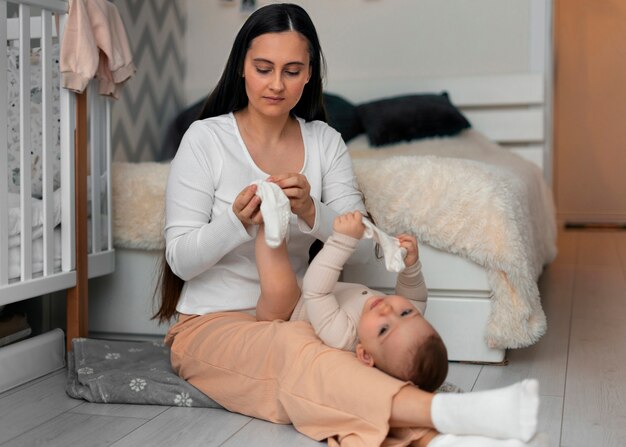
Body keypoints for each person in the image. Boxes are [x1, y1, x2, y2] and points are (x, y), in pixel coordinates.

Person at [157, 4, 542, 446]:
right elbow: (181, 261)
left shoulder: (325, 143)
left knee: (340, 363)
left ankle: (440, 440)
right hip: (212, 326)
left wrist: (312, 213)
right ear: (242, 67)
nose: (277, 84)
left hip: (298, 315)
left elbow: (363, 250)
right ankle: (445, 414)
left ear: (309, 76)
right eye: (263, 68)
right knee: (297, 355)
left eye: (292, 70)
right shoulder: (205, 139)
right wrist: (235, 222)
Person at [255, 210, 449, 393]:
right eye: (406, 312)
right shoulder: (402, 313)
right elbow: (416, 297)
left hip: (288, 308)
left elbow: (315, 291)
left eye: (383, 329)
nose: (388, 310)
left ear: (364, 354)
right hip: (307, 284)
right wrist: (411, 267)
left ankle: (267, 218)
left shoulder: (344, 335)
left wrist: (342, 242)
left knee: (279, 288)